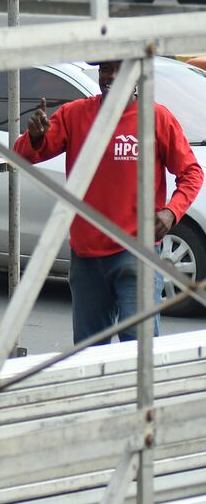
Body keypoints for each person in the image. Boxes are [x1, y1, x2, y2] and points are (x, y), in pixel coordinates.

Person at [15, 61, 203, 343]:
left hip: (138, 255)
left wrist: (171, 212)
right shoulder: (75, 115)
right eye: (105, 70)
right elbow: (24, 155)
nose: (111, 77)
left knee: (138, 354)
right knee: (90, 354)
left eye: (120, 70)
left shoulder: (157, 119)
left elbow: (191, 172)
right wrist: (35, 137)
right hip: (87, 258)